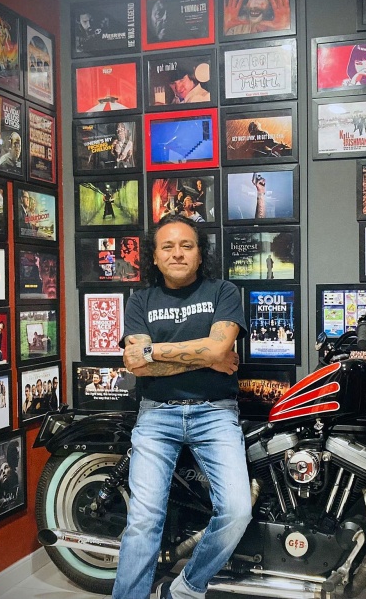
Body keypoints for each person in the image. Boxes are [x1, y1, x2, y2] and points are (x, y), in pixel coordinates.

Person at [113, 215, 251, 599]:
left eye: (186, 246)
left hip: (215, 412)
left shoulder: (223, 292)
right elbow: (137, 364)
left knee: (237, 510)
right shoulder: (140, 301)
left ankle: (186, 589)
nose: (177, 253)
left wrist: (154, 351)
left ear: (200, 254)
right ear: (155, 257)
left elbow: (218, 349)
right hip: (156, 414)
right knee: (143, 521)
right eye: (168, 247)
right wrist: (206, 357)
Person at [223, 0, 291, 36]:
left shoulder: (281, 24)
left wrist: (285, 29)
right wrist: (225, 26)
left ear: (272, 2)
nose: (253, 4)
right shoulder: (237, 25)